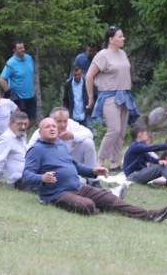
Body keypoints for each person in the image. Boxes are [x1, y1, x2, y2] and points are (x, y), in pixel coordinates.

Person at [22, 118, 167, 222]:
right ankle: (97, 207)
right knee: (87, 206)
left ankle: (151, 215)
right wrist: (42, 178)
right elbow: (27, 175)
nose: (52, 129)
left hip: (78, 187)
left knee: (112, 199)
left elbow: (74, 166)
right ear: (40, 132)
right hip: (58, 194)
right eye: (47, 127)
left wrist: (93, 171)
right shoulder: (36, 150)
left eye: (53, 126)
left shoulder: (61, 145)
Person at [85, 26, 140, 172]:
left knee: (121, 131)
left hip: (124, 96)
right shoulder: (102, 55)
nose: (123, 38)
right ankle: (100, 161)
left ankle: (115, 163)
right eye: (120, 36)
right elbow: (89, 76)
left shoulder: (122, 53)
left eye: (123, 36)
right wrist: (91, 98)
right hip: (109, 96)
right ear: (111, 39)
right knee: (113, 129)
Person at [27, 107, 96, 168]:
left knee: (88, 142)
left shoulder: (71, 124)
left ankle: (92, 180)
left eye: (65, 121)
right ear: (52, 120)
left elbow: (89, 134)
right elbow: (29, 149)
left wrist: (73, 135)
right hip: (50, 164)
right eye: (59, 121)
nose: (63, 125)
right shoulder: (42, 131)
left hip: (69, 159)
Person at [0, 40, 37, 128]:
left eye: (23, 47)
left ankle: (21, 133)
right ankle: (18, 135)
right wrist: (8, 92)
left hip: (30, 95)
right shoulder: (11, 63)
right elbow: (2, 79)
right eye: (20, 48)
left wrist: (34, 86)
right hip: (19, 97)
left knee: (33, 119)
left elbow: (32, 72)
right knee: (20, 119)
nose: (22, 50)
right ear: (14, 50)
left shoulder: (29, 58)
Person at [63, 64, 95, 129]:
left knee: (89, 135)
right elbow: (65, 100)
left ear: (82, 72)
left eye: (79, 74)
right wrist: (66, 111)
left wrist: (91, 111)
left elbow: (94, 96)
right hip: (73, 116)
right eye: (75, 75)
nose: (77, 77)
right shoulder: (68, 84)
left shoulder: (87, 83)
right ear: (72, 73)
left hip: (86, 114)